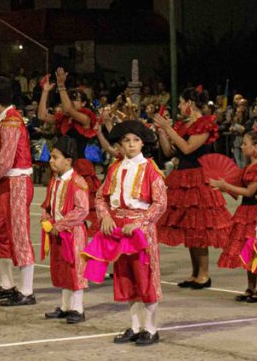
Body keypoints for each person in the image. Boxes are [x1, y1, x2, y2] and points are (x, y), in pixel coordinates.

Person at [97, 121, 167, 347]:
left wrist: (140, 222)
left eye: (136, 140)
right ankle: (136, 326)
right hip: (118, 228)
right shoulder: (114, 168)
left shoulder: (151, 169)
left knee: (145, 277)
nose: (131, 144)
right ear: (120, 144)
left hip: (141, 230)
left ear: (142, 143)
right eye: (127, 141)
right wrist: (106, 217)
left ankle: (151, 328)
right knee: (126, 277)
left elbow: (160, 204)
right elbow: (100, 197)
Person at [152, 87, 230, 289]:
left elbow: (188, 148)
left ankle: (204, 274)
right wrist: (162, 131)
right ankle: (195, 272)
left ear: (191, 104)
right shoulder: (182, 124)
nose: (179, 106)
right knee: (188, 226)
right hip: (182, 177)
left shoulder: (204, 124)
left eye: (181, 102)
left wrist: (169, 129)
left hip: (198, 176)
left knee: (199, 226)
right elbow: (170, 152)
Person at [0, 76, 36, 307]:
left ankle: (27, 290)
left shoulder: (11, 122)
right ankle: (7, 285)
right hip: (8, 184)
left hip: (17, 183)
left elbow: (5, 162)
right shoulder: (8, 120)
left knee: (19, 235)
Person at [38, 68, 101, 235]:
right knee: (61, 205)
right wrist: (45, 92)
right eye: (71, 99)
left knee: (81, 208)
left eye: (77, 99)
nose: (73, 102)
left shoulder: (86, 118)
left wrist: (61, 86)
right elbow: (43, 116)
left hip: (79, 166)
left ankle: (79, 239)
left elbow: (68, 109)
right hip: (61, 166)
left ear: (84, 104)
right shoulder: (63, 119)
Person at [211, 131, 257, 303]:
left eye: (245, 143)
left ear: (256, 147)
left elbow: (249, 192)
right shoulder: (249, 167)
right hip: (246, 210)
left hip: (255, 211)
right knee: (249, 250)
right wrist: (222, 186)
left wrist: (226, 185)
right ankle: (251, 288)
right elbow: (239, 190)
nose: (242, 146)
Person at [41, 139, 89, 324]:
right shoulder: (54, 180)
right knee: (62, 268)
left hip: (73, 232)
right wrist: (46, 216)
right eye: (51, 157)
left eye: (55, 157)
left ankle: (78, 308)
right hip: (57, 232)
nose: (51, 161)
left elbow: (82, 210)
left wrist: (60, 225)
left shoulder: (77, 181)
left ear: (68, 161)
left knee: (75, 268)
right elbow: (48, 204)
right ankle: (65, 306)